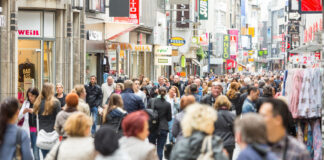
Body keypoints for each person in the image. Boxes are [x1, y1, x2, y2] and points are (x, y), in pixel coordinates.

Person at [34, 83, 61, 157]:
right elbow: (59, 119)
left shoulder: (38, 102)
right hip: (53, 134)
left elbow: (34, 118)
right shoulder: (56, 102)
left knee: (45, 156)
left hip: (42, 134)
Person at [147, 87, 172, 160]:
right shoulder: (168, 104)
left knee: (151, 147)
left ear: (158, 92)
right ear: (166, 93)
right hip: (163, 127)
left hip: (152, 127)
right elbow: (169, 118)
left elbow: (147, 112)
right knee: (160, 148)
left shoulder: (152, 101)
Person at [18, 87, 40, 160]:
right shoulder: (26, 103)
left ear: (36, 95)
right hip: (27, 129)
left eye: (32, 96)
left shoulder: (40, 103)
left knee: (35, 150)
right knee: (26, 150)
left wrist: (34, 111)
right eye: (29, 95)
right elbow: (19, 117)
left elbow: (42, 115)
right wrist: (23, 112)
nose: (30, 97)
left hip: (35, 130)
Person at [213, 95, 235, 160]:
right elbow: (235, 130)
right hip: (229, 143)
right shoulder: (232, 115)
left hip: (216, 143)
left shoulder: (213, 115)